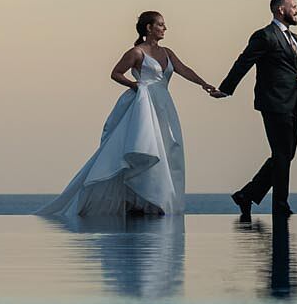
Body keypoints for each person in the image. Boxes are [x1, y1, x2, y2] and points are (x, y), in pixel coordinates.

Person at [38, 11, 222, 218]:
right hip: (144, 104)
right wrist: (134, 85)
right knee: (143, 147)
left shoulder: (168, 52)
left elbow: (183, 69)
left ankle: (156, 200)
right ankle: (136, 201)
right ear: (149, 28)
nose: (165, 28)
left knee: (168, 148)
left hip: (164, 105)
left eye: (164, 24)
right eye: (160, 24)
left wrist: (203, 84)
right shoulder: (136, 52)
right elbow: (116, 73)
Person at [217, 0, 297, 217]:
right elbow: (244, 62)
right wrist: (226, 88)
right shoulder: (265, 36)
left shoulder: (294, 38)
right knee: (281, 154)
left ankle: (246, 195)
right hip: (273, 102)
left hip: (293, 103)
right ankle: (280, 206)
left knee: (286, 155)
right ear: (281, 9)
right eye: (294, 6)